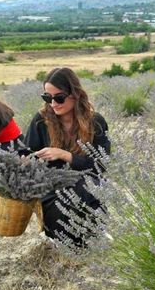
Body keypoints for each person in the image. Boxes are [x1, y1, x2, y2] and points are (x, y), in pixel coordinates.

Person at [25, 67, 110, 246]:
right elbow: (26, 153)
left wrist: (65, 155)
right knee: (56, 201)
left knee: (84, 188)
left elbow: (100, 166)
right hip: (52, 186)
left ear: (75, 95)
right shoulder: (41, 120)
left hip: (87, 181)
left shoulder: (95, 122)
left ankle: (93, 232)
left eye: (59, 97)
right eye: (47, 98)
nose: (53, 103)